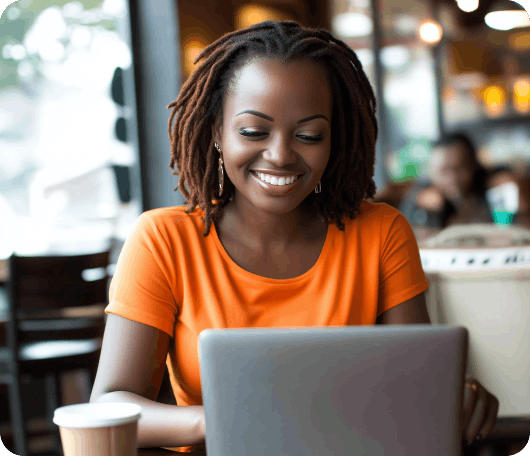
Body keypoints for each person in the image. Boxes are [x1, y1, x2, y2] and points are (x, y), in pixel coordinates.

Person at [89, 21, 499, 452]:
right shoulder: (164, 241)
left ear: (334, 141)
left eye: (309, 135)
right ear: (216, 133)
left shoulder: (381, 234)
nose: (281, 155)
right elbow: (110, 403)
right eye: (253, 131)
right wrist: (216, 422)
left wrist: (457, 396)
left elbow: (417, 390)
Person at [399, 133, 494, 228]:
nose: (453, 178)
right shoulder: (420, 198)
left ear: (474, 164)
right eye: (443, 171)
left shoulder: (493, 186)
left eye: (460, 168)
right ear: (431, 172)